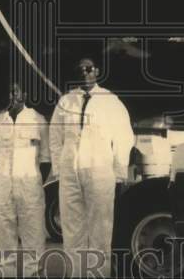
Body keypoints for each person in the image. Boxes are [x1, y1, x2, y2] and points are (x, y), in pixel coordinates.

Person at [49, 56, 134, 278]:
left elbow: (124, 138)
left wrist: (119, 173)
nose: (84, 73)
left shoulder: (110, 101)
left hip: (100, 171)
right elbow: (55, 138)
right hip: (70, 173)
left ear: (97, 71)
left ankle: (99, 275)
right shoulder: (66, 102)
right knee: (71, 228)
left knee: (100, 228)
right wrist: (60, 169)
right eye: (80, 70)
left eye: (88, 69)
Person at [0, 81, 51, 278]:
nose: (11, 95)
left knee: (34, 238)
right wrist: (4, 179)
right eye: (8, 91)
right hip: (2, 187)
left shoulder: (38, 120)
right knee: (3, 239)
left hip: (29, 187)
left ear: (25, 93)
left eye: (15, 90)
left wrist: (33, 182)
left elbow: (46, 159)